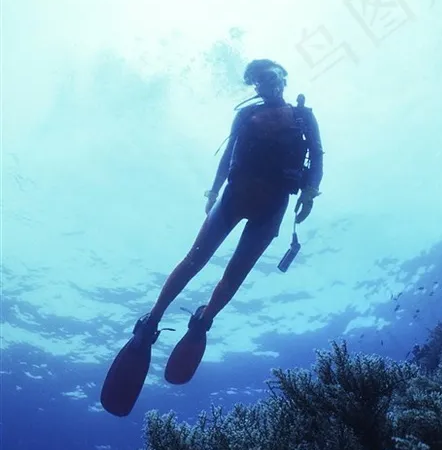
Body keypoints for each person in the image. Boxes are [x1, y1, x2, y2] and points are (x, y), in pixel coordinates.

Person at [100, 58, 324, 417]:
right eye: (257, 81)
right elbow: (228, 156)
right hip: (234, 198)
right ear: (254, 87)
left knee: (235, 274)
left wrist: (310, 195)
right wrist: (213, 190)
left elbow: (318, 157)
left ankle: (204, 320)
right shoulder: (245, 116)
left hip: (272, 207)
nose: (264, 84)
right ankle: (151, 322)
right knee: (194, 260)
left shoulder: (303, 117)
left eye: (269, 77)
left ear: (282, 77)